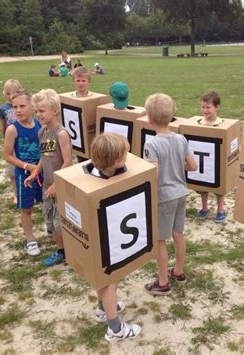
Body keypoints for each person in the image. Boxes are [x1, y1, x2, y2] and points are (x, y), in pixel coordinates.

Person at [143, 93, 197, 295]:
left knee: (160, 240)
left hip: (164, 197)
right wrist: (175, 164)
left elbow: (154, 175)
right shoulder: (181, 138)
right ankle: (179, 271)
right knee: (178, 234)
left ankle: (163, 282)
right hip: (181, 193)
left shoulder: (151, 144)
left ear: (149, 118)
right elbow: (193, 166)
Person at [90, 133, 141, 342]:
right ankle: (115, 329)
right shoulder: (103, 182)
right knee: (111, 281)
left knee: (102, 278)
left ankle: (102, 308)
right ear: (115, 160)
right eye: (124, 154)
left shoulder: (96, 171)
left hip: (101, 240)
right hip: (107, 240)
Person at [24, 89, 72, 267]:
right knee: (50, 220)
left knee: (61, 223)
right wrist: (35, 172)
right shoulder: (41, 133)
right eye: (36, 111)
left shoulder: (61, 134)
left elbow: (68, 161)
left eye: (42, 111)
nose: (38, 115)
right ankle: (61, 251)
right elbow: (44, 157)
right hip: (47, 185)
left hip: (60, 186)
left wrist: (57, 185)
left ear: (55, 111)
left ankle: (73, 252)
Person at [3, 89, 43, 256]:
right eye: (15, 107)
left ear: (32, 107)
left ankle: (51, 227)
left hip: (43, 171)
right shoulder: (13, 129)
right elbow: (7, 155)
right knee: (26, 208)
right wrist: (28, 166)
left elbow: (47, 148)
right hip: (24, 175)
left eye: (22, 106)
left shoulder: (41, 124)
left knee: (48, 201)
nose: (18, 110)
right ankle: (30, 239)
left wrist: (40, 166)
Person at [196, 91, 226, 223]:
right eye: (203, 107)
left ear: (217, 107)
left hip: (216, 161)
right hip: (203, 160)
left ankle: (220, 210)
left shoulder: (221, 124)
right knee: (203, 186)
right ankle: (204, 208)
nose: (205, 110)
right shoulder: (199, 123)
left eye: (208, 107)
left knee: (219, 188)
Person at [0, 79, 23, 204]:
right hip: (11, 144)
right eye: (8, 93)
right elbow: (3, 126)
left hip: (24, 141)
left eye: (14, 92)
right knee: (12, 171)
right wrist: (7, 141)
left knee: (25, 166)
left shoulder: (24, 105)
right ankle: (16, 193)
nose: (11, 96)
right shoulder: (3, 108)